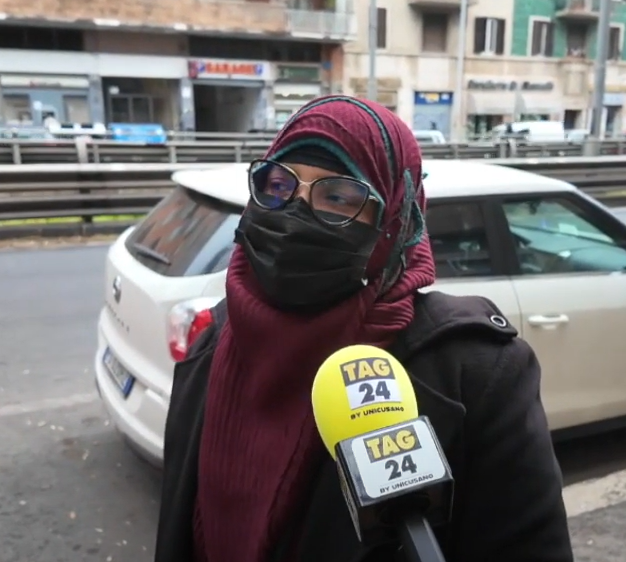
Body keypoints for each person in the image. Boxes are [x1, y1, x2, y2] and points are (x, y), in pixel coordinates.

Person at [154, 94, 573, 562]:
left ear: (394, 223)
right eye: (277, 185)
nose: (294, 214)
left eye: (336, 197)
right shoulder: (210, 350)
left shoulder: (478, 374)